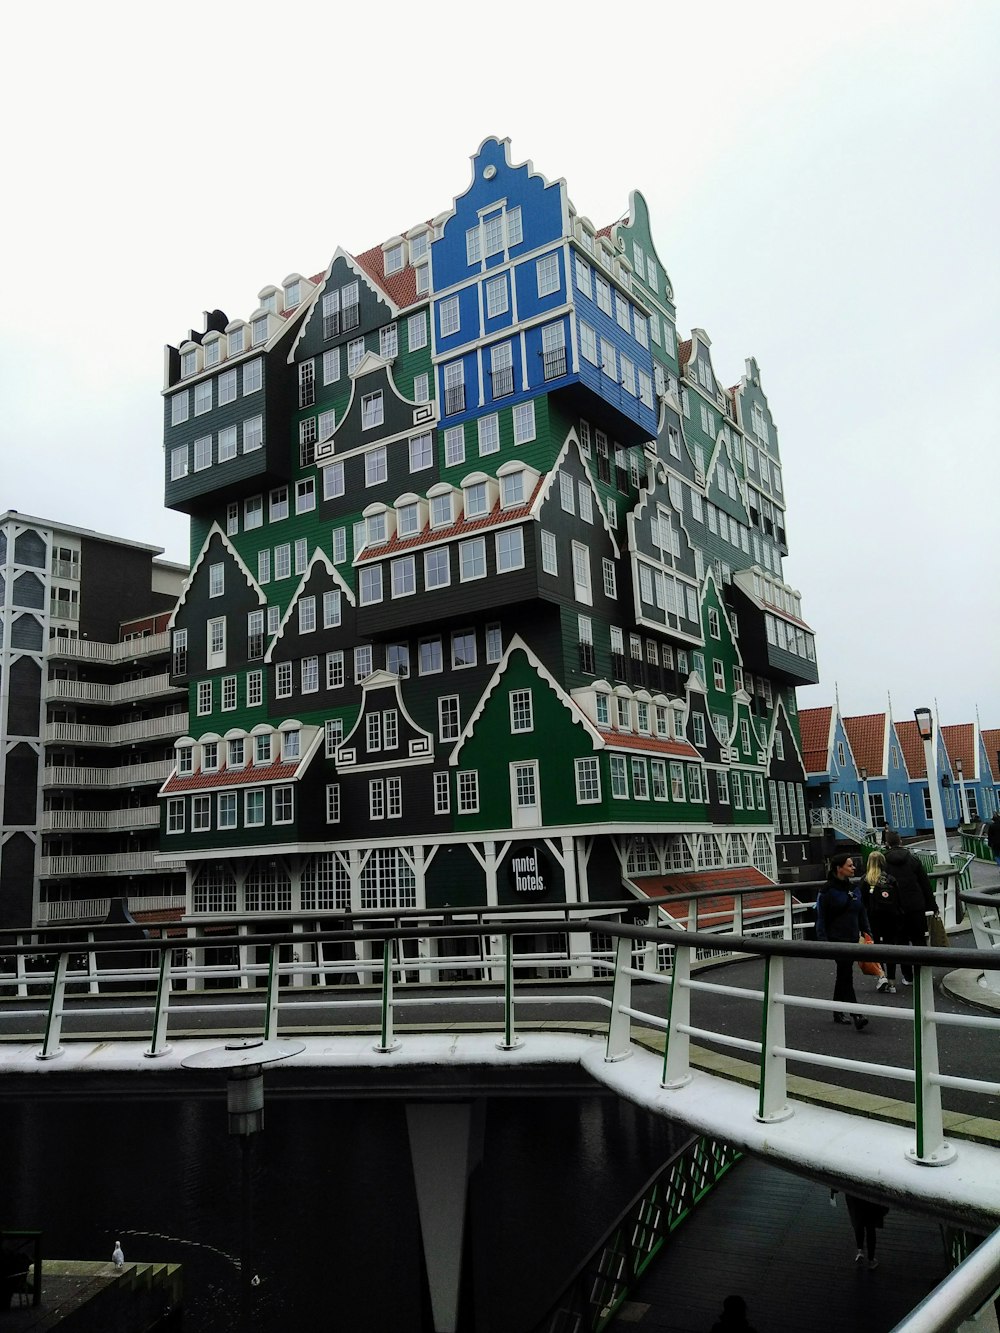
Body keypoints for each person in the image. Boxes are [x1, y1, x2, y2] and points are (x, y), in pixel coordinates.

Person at [815, 853, 871, 1030]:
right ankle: (856, 1014)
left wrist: (867, 931)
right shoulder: (827, 891)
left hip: (852, 937)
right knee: (846, 974)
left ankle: (837, 1011)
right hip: (836, 939)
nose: (853, 868)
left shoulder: (854, 888)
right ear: (839, 868)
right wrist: (823, 940)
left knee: (843, 974)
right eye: (849, 865)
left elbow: (861, 911)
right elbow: (821, 916)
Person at [883, 831, 938, 984]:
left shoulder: (884, 862)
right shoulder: (913, 859)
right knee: (919, 939)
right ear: (900, 841)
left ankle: (908, 977)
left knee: (901, 943)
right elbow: (925, 883)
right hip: (915, 905)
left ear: (887, 843)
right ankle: (921, 974)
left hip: (896, 907)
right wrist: (932, 905)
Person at [861, 850, 902, 994]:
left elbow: (863, 903)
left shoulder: (865, 880)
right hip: (890, 918)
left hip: (873, 918)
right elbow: (898, 900)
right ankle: (892, 982)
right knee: (891, 949)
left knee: (876, 947)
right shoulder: (890, 879)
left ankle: (881, 976)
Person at [845, 1193, 889, 1269]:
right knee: (870, 1229)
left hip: (855, 1199)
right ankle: (871, 1260)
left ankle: (860, 1252)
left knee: (858, 1225)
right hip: (870, 1201)